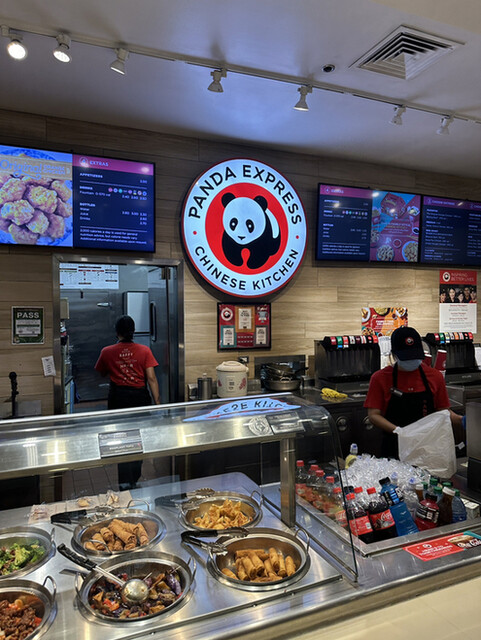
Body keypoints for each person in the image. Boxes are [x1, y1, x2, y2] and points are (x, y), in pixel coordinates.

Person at [364, 326, 462, 459]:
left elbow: (443, 412)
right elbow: (373, 415)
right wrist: (399, 431)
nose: (411, 361)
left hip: (427, 448)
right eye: (406, 358)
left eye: (415, 356)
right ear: (394, 355)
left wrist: (462, 420)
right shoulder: (380, 378)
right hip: (394, 447)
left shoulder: (435, 376)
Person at [95, 315, 160, 489]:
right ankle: (134, 479)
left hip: (118, 398)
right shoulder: (144, 350)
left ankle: (124, 483)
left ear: (117, 332)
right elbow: (151, 378)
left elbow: (101, 372)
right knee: (138, 439)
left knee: (121, 440)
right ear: (133, 331)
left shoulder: (106, 351)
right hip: (139, 398)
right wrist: (158, 403)